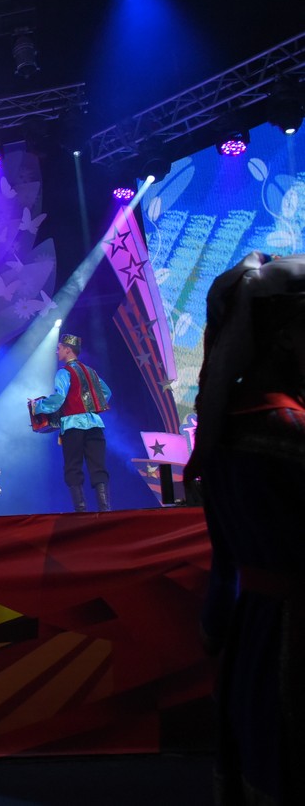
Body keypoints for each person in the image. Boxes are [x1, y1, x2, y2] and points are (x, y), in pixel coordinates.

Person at [187, 252, 305, 806]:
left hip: (253, 637)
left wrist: (216, 631)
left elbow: (225, 566)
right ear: (284, 338)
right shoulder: (291, 429)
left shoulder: (222, 430)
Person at [33, 333, 113, 512]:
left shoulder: (64, 372)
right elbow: (107, 392)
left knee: (73, 466)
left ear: (68, 350)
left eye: (59, 348)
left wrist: (38, 407)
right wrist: (91, 405)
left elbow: (59, 398)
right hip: (95, 423)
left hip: (72, 425)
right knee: (98, 466)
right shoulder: (91, 372)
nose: (57, 352)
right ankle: (105, 508)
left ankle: (81, 510)